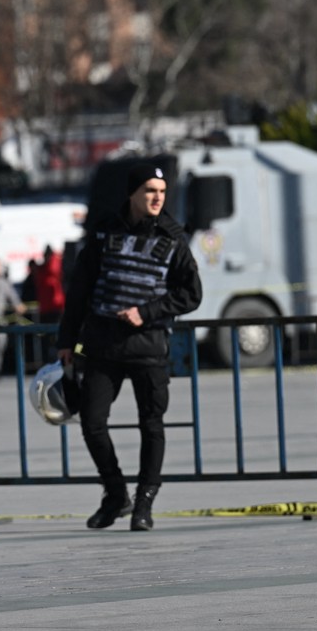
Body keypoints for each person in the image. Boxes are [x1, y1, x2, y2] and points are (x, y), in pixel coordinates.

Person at [57, 165, 202, 532]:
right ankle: (115, 493)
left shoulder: (173, 236)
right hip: (102, 347)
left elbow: (191, 293)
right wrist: (65, 342)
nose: (157, 198)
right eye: (150, 190)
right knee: (92, 423)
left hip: (149, 348)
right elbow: (80, 289)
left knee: (151, 425)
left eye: (163, 192)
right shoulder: (105, 232)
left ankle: (144, 502)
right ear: (133, 194)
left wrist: (147, 312)